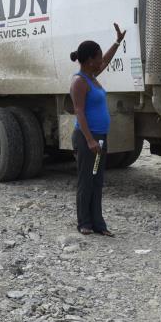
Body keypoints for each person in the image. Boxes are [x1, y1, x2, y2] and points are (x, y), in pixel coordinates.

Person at [69, 23, 126, 237]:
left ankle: (98, 224)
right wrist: (90, 140)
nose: (102, 60)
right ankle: (84, 222)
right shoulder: (80, 81)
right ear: (90, 60)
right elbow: (79, 111)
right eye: (98, 56)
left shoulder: (92, 77)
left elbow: (107, 61)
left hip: (100, 138)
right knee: (86, 180)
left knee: (96, 179)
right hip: (88, 139)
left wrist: (117, 42)